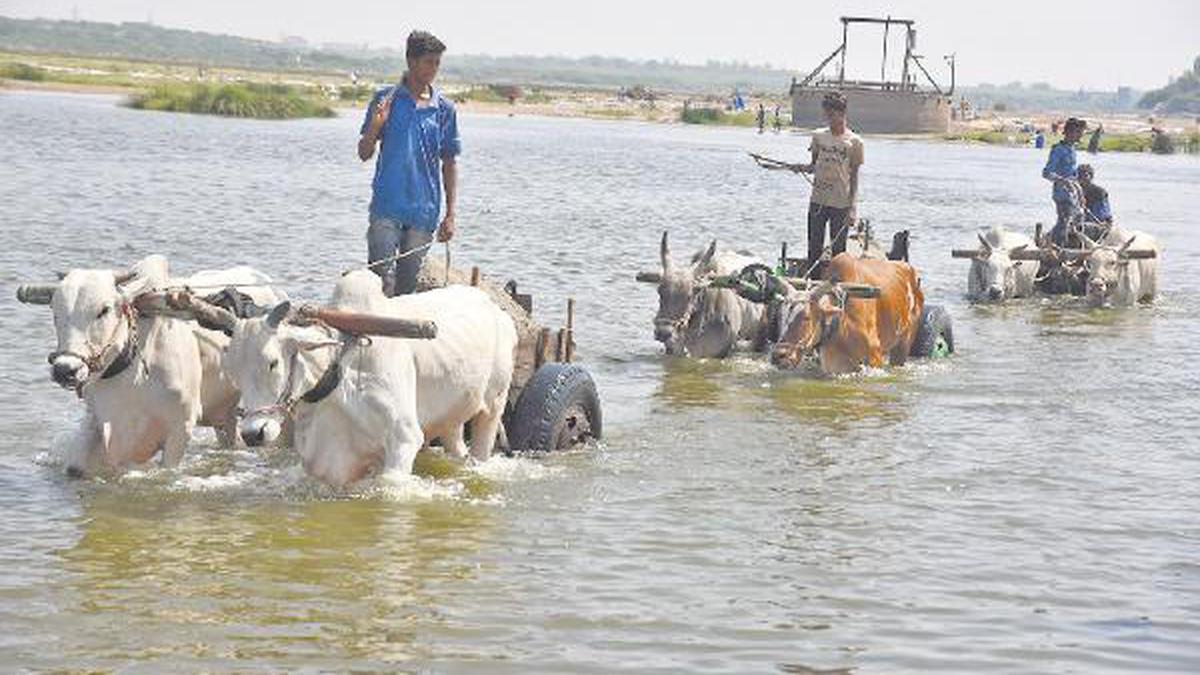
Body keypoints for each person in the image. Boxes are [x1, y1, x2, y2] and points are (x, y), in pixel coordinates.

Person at [358, 30, 460, 296]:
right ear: (411, 61)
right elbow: (364, 153)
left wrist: (450, 215)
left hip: (423, 212)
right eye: (429, 62)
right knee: (378, 283)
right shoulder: (385, 100)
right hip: (386, 206)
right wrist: (375, 127)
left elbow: (449, 163)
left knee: (407, 290)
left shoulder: (445, 109)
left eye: (437, 63)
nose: (434, 69)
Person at [791, 91, 864, 278]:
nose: (829, 119)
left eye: (831, 115)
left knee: (838, 251)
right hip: (818, 200)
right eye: (826, 115)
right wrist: (800, 167)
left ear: (842, 114)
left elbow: (854, 176)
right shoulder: (818, 137)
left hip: (841, 203)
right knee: (814, 247)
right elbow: (813, 166)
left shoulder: (855, 142)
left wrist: (852, 209)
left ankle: (836, 289)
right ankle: (812, 286)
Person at [1042, 117, 1086, 246]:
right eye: (1078, 132)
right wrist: (1063, 181)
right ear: (1070, 132)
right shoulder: (1058, 150)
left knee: (1078, 220)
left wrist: (1081, 194)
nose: (1080, 135)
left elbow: (1074, 175)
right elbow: (1046, 173)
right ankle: (1056, 248)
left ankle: (1056, 242)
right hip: (1062, 194)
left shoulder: (1072, 149)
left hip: (1073, 194)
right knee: (1064, 221)